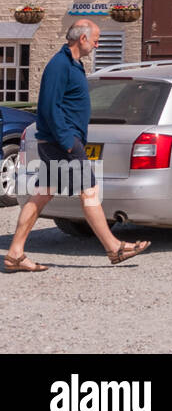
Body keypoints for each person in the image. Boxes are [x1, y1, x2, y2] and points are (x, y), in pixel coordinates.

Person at [5, 21, 151, 272]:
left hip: (61, 141)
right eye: (95, 39)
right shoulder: (59, 65)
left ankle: (15, 254)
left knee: (42, 194)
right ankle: (113, 248)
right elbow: (49, 107)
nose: (97, 44)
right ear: (82, 38)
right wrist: (68, 142)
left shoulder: (74, 64)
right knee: (90, 191)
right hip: (62, 142)